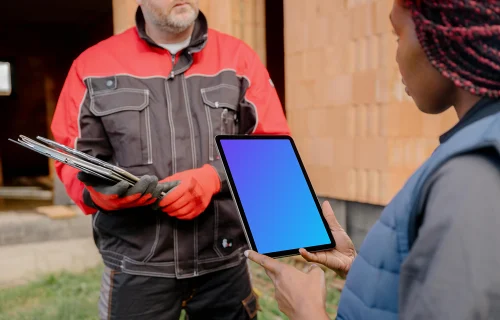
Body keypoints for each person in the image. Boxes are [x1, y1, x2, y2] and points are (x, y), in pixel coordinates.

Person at [246, 0, 500, 319]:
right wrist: (362, 268)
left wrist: (306, 311)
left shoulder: (475, 169)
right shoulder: (477, 142)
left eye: (398, 35)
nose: (396, 55)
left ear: (442, 36)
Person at [50, 0, 290, 319]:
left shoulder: (239, 59)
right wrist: (99, 195)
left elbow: (273, 150)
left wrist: (212, 178)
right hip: (136, 266)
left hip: (225, 263)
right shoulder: (92, 65)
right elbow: (71, 157)